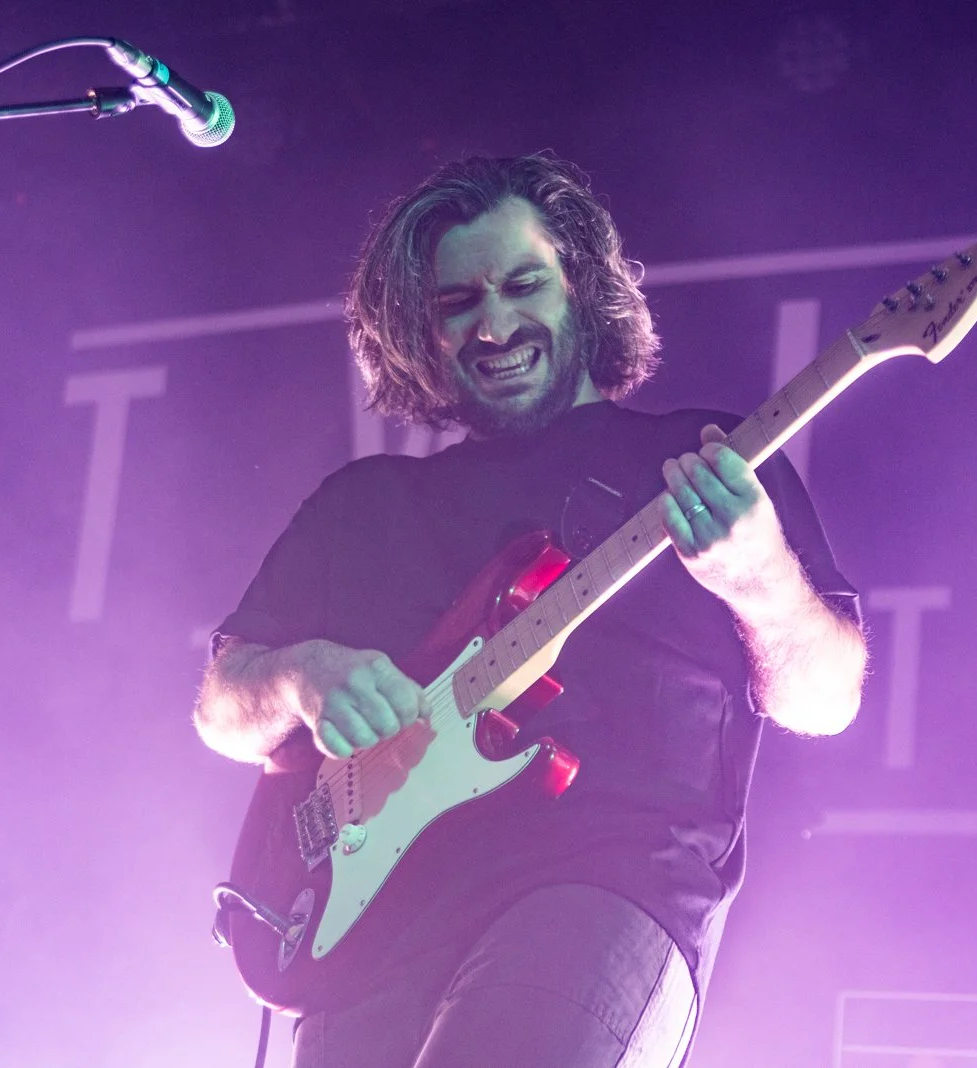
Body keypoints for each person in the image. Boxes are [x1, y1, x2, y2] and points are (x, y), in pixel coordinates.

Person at [195, 153, 867, 1068]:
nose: (495, 322)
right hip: (367, 925)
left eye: (523, 284)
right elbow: (222, 708)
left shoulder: (702, 459)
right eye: (457, 303)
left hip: (604, 885)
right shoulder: (361, 506)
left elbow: (825, 701)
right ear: (419, 333)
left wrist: (759, 575)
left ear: (582, 292)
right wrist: (303, 675)